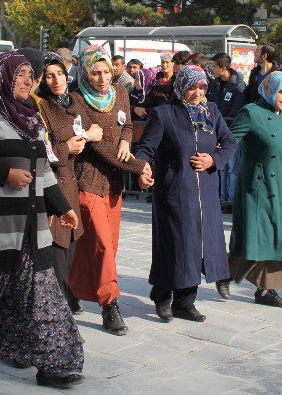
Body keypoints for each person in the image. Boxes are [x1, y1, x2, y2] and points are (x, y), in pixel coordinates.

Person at [0, 51, 85, 389]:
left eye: (33, 75)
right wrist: (5, 173)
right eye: (21, 75)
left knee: (46, 299)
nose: (29, 81)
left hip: (33, 229)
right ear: (2, 77)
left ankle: (57, 363)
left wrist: (62, 206)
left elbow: (42, 170)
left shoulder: (31, 118)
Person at [134, 65, 237, 322]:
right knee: (174, 244)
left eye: (202, 87)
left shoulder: (211, 111)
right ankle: (162, 297)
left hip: (206, 193)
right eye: (192, 87)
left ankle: (185, 301)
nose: (197, 92)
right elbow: (146, 148)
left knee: (198, 245)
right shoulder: (163, 113)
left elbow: (230, 142)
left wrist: (213, 160)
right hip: (174, 191)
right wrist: (141, 168)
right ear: (181, 86)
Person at [69, 46, 151, 336]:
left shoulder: (121, 93)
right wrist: (139, 166)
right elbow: (99, 145)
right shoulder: (76, 98)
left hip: (114, 184)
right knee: (102, 244)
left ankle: (73, 288)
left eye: (106, 71)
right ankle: (109, 305)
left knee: (106, 246)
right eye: (95, 72)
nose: (103, 78)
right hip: (88, 180)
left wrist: (128, 140)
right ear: (86, 71)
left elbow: (126, 124)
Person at [224, 71, 282, 308]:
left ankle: (267, 289)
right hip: (258, 185)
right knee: (256, 236)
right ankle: (225, 271)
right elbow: (230, 141)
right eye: (281, 92)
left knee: (280, 237)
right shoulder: (251, 113)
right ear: (269, 89)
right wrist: (213, 161)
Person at [36, 52, 104, 314]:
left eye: (61, 74)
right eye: (50, 75)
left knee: (70, 253)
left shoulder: (74, 101)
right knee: (57, 260)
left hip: (71, 185)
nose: (57, 80)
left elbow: (96, 132)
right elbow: (40, 150)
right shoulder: (40, 107)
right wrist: (67, 146)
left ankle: (66, 304)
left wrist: (133, 160)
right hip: (51, 188)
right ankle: (60, 317)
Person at [207, 52, 246, 210]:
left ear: (223, 68)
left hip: (231, 131)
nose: (213, 69)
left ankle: (231, 199)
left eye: (215, 67)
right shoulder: (215, 84)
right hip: (216, 130)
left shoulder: (238, 85)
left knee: (232, 167)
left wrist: (222, 121)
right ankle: (221, 197)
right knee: (221, 167)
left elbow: (236, 110)